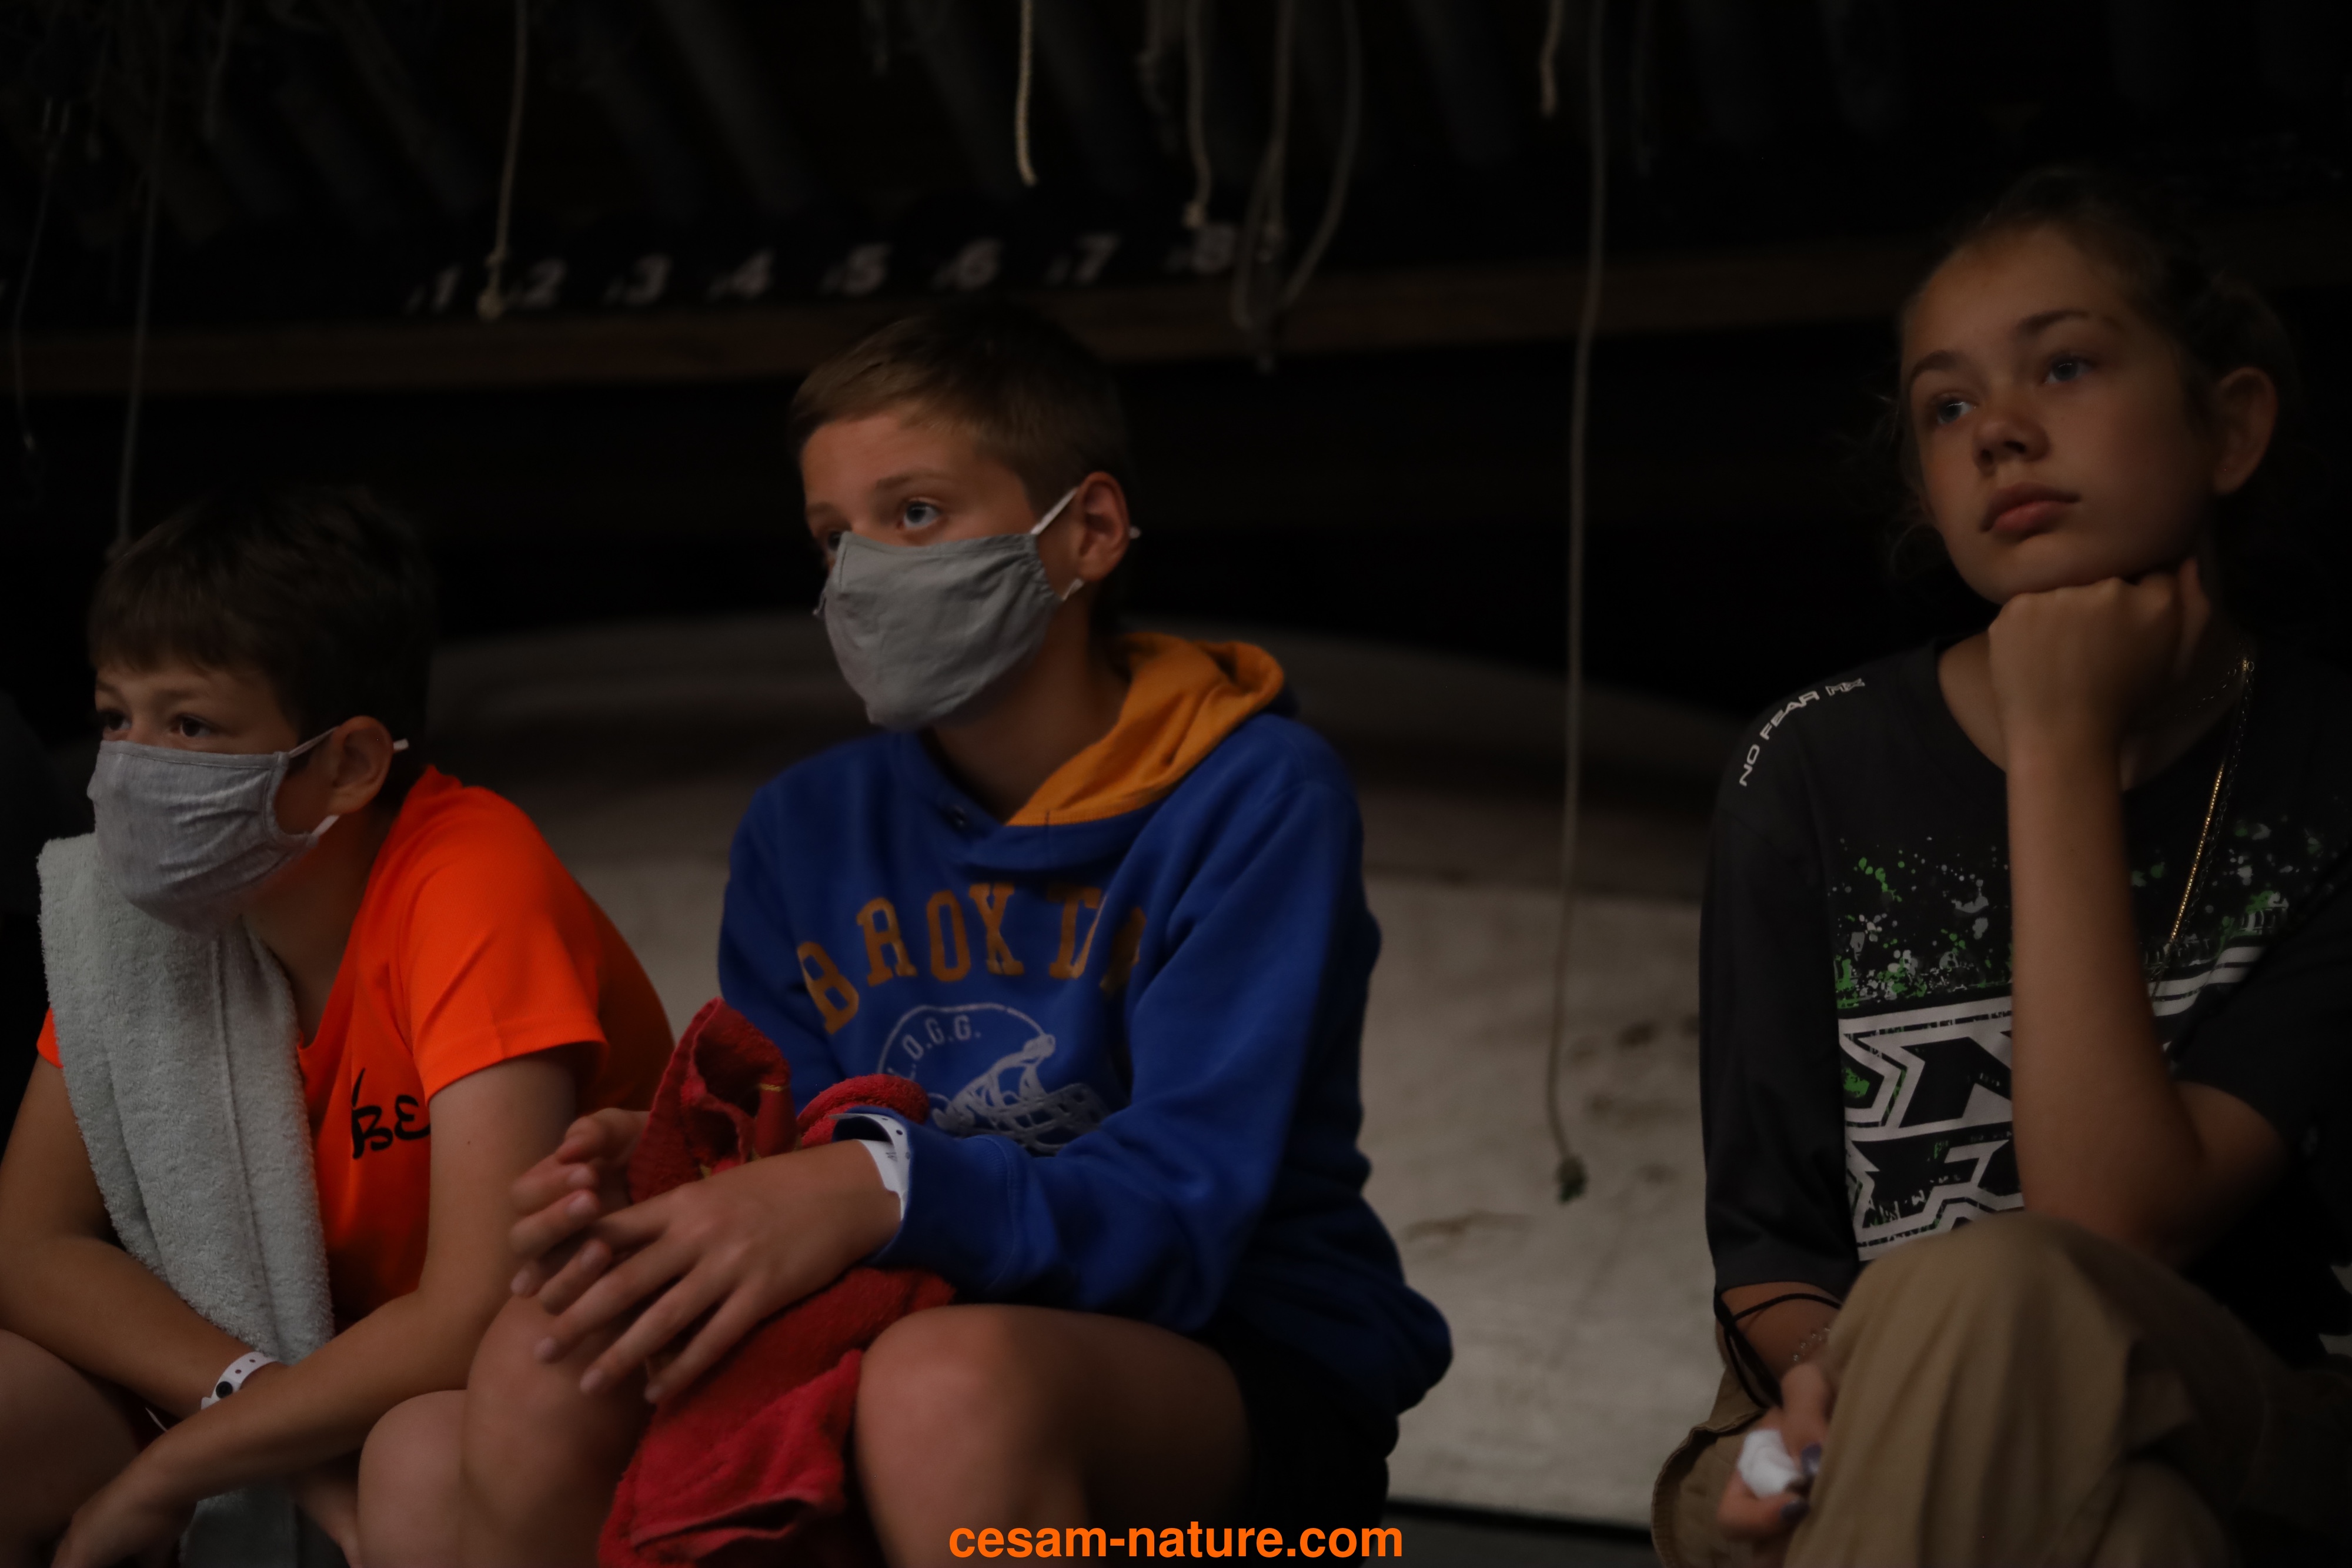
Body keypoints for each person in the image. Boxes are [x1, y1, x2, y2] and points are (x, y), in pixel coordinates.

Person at [370, 300, 1451, 1566]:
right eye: (835, 535)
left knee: (943, 1387)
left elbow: (1183, 1211)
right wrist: (683, 1172)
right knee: (521, 1369)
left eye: (917, 513)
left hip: (1235, 1348)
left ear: (1089, 532)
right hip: (901, 1305)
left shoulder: (1256, 795)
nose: (866, 572)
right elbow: (795, 1138)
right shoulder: (802, 828)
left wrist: (876, 1182)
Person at [1651, 167, 2352, 1566]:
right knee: (2133, 1536)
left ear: (2228, 425)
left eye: (2065, 365)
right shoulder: (1807, 766)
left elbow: (2107, 1225)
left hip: (2248, 1405)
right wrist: (1830, 1388)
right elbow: (1773, 1241)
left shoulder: (2325, 771)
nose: (2000, 432)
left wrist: (2054, 745)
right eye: (1946, 405)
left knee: (2007, 1290)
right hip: (1829, 1391)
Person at [0, 489, 673, 1568]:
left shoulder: (471, 880)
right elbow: (29, 1246)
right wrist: (251, 1407)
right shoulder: (131, 925)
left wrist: (173, 1470)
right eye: (117, 718)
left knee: (419, 1465)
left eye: (191, 727)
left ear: (350, 764)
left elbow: (470, 1312)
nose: (129, 768)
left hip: (494, 1380)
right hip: (263, 1374)